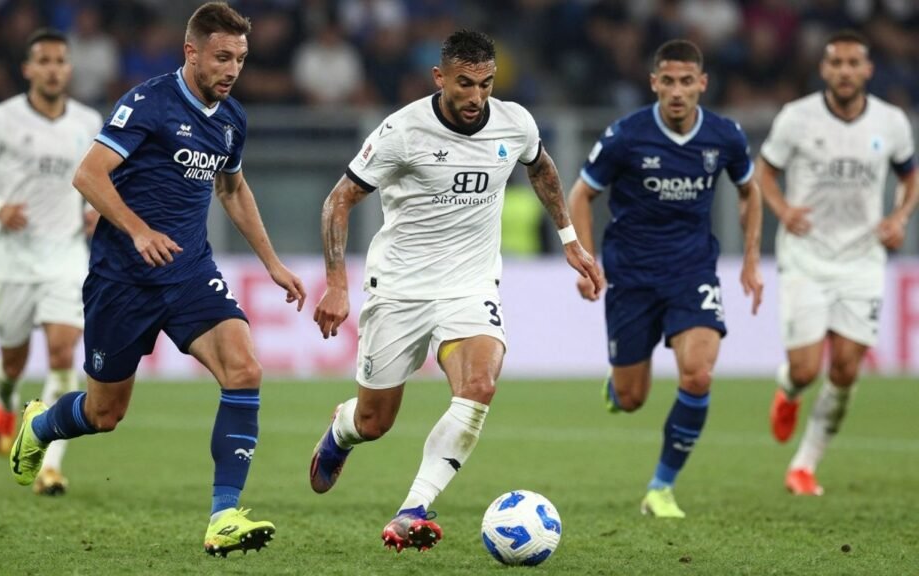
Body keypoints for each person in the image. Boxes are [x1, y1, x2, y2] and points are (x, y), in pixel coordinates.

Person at [6, 2, 306, 557]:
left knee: (244, 368)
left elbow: (233, 190)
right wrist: (138, 231)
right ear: (190, 52)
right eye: (221, 56)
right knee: (105, 414)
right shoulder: (147, 102)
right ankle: (41, 426)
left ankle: (223, 517)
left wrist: (272, 263)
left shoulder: (232, 118)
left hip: (189, 272)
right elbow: (88, 174)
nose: (232, 69)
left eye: (240, 58)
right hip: (122, 281)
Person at [309, 29, 602, 552]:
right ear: (440, 77)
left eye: (486, 84)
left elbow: (542, 167)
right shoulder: (402, 131)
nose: (475, 97)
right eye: (464, 83)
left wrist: (569, 240)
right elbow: (338, 200)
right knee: (375, 421)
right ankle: (342, 430)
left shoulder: (515, 122)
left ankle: (412, 509)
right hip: (399, 287)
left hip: (470, 285)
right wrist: (336, 283)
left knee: (480, 385)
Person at [568, 39, 764, 519]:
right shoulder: (625, 136)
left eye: (686, 82)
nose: (677, 92)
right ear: (654, 83)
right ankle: (617, 389)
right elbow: (579, 197)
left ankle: (660, 488)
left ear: (702, 83)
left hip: (691, 270)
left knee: (697, 374)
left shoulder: (725, 136)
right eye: (668, 82)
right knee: (632, 398)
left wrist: (751, 260)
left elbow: (749, 192)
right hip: (631, 276)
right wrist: (587, 261)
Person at [759, 30, 917, 496]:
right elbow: (766, 171)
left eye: (853, 64)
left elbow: (910, 176)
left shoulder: (891, 123)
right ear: (824, 69)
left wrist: (900, 217)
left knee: (847, 370)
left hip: (863, 258)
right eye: (836, 63)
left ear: (867, 70)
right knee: (807, 369)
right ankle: (788, 390)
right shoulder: (797, 118)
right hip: (806, 256)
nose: (844, 71)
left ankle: (804, 466)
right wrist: (784, 210)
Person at [0, 28, 102, 496]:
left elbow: (100, 176)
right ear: (28, 69)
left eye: (61, 60)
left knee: (62, 353)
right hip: (14, 258)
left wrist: (95, 209)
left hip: (66, 255)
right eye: (44, 61)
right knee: (14, 360)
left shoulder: (88, 120)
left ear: (69, 69)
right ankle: (4, 399)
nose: (54, 68)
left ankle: (49, 462)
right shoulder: (2, 118)